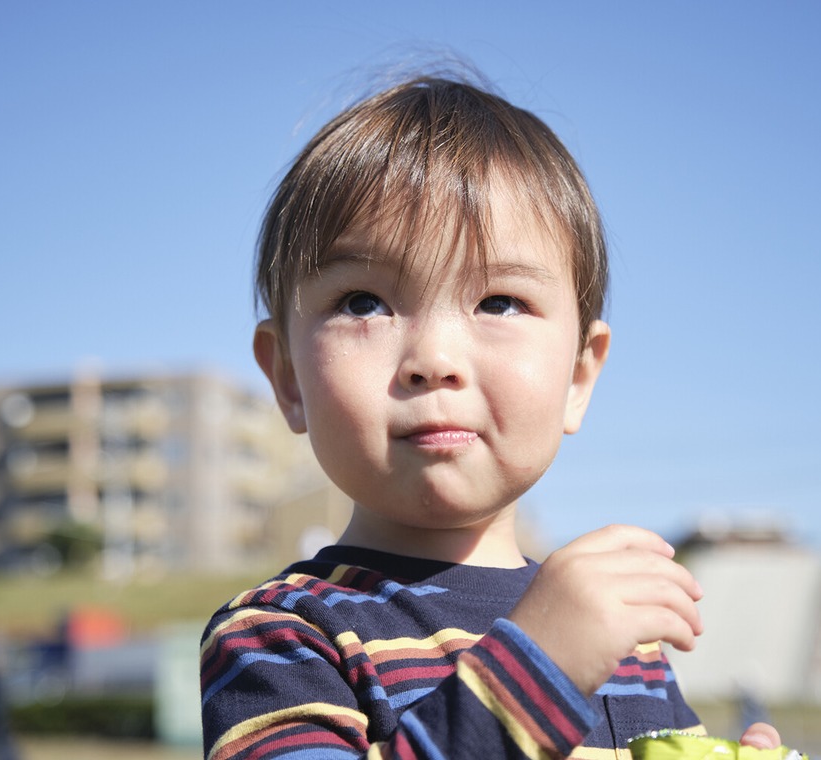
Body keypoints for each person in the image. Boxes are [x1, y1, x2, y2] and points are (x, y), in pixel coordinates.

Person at [200, 72, 782, 759]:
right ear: (289, 378)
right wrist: (540, 671)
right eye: (363, 302)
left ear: (577, 374)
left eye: (499, 302)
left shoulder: (624, 641)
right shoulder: (280, 637)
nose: (435, 359)